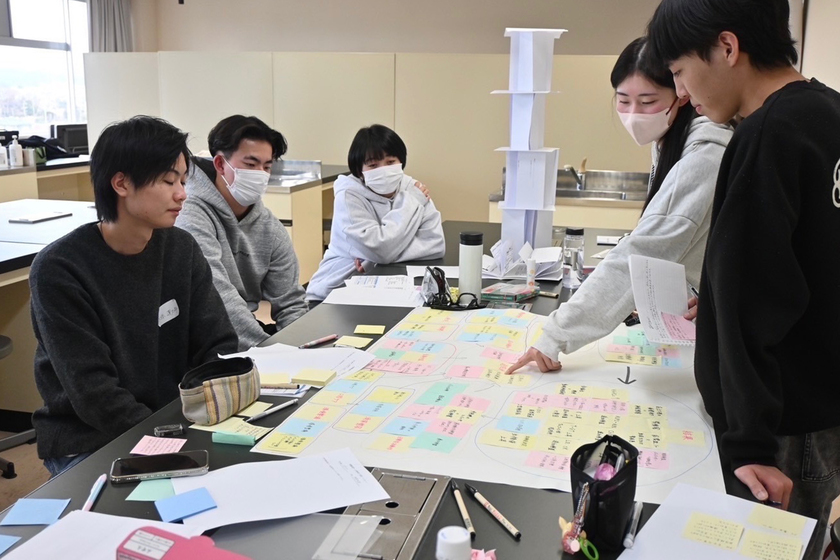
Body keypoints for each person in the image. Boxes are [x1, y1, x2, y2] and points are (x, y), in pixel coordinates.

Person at [646, 0, 840, 553]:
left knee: (768, 546)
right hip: (822, 411)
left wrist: (749, 444)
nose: (682, 92)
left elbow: (749, 300)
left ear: (727, 48)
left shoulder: (766, 133)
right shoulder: (829, 112)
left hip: (776, 430)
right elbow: (806, 267)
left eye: (680, 71)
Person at [505, 37, 732, 374]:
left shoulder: (704, 155)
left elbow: (641, 252)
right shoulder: (671, 140)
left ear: (681, 94)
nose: (634, 114)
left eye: (648, 101)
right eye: (624, 101)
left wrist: (555, 334)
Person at [30, 116, 239, 476]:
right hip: (92, 438)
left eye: (183, 180)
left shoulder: (181, 248)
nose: (182, 194)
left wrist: (209, 418)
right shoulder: (60, 269)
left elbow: (217, 344)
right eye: (168, 181)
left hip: (177, 422)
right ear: (121, 183)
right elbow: (94, 394)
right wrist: (174, 443)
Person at [176, 115, 308, 350]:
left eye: (267, 166)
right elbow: (217, 298)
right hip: (198, 340)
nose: (260, 174)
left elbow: (291, 303)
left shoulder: (270, 228)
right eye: (251, 164)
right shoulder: (190, 214)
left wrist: (302, 350)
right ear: (220, 164)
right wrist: (266, 353)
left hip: (246, 336)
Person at [306, 124, 445, 302]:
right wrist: (381, 253)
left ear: (401, 161)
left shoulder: (414, 190)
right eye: (373, 165)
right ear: (359, 170)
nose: (384, 170)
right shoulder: (349, 195)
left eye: (390, 162)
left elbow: (435, 244)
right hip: (335, 293)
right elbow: (382, 250)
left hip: (394, 289)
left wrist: (374, 258)